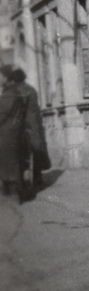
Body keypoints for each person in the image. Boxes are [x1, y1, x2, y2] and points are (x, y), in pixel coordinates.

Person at [10, 68, 51, 191]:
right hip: (34, 124)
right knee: (37, 150)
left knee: (20, 151)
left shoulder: (16, 91)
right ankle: (37, 179)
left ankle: (22, 181)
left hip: (23, 125)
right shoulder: (31, 89)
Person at [0, 65, 28, 202]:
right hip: (12, 132)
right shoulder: (12, 92)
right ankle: (12, 190)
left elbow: (2, 114)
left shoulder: (8, 94)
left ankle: (17, 192)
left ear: (5, 77)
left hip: (7, 133)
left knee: (10, 162)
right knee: (12, 162)